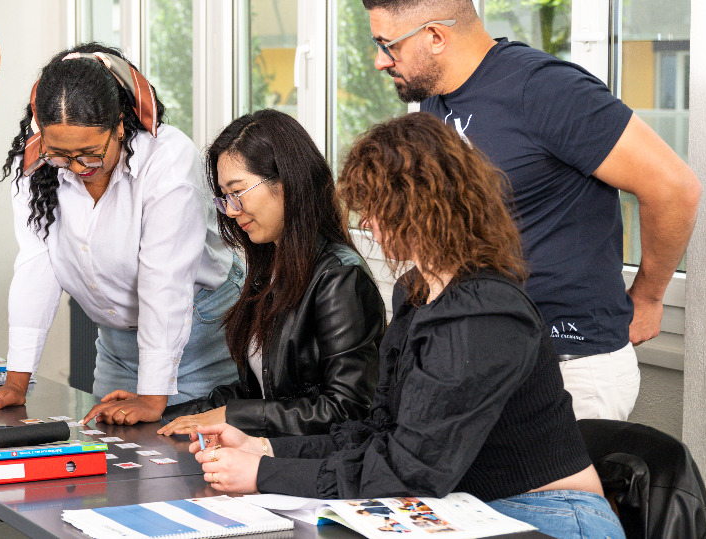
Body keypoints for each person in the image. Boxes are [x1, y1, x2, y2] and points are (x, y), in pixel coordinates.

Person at [191, 113, 625, 539]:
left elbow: (411, 469)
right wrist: (266, 447)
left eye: (377, 208)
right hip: (466, 508)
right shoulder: (416, 292)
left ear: (419, 204)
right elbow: (379, 434)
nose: (368, 223)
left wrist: (266, 472)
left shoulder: (485, 313)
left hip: (548, 516)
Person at [361, 0, 701, 420]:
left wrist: (647, 297)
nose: (380, 61)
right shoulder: (437, 102)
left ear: (435, 36)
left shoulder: (545, 90)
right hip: (491, 352)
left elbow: (674, 187)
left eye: (387, 44)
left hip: (572, 365)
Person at [0, 43, 242, 425]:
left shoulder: (167, 160)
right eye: (60, 154)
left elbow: (164, 280)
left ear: (120, 125)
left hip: (201, 334)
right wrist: (16, 382)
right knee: (117, 463)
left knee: (190, 465)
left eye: (90, 153)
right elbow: (37, 268)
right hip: (118, 343)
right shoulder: (37, 165)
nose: (76, 167)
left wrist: (152, 399)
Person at [143, 109, 384, 438]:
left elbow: (347, 409)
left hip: (311, 468)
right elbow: (257, 394)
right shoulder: (267, 269)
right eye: (224, 198)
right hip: (271, 457)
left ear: (286, 181)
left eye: (237, 193)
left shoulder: (340, 278)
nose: (230, 210)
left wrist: (233, 416)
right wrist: (155, 417)